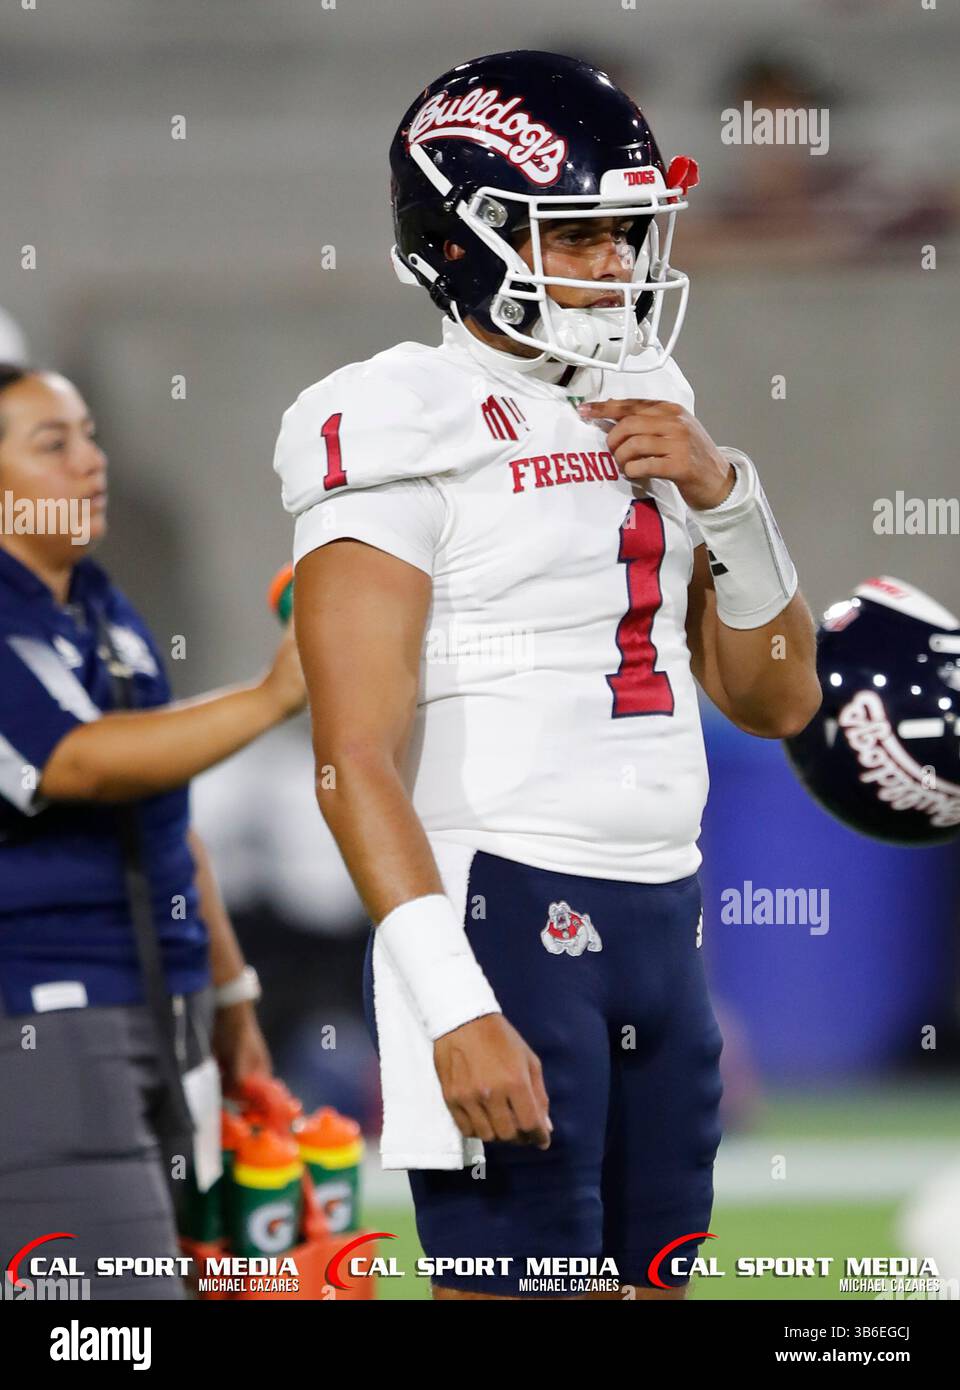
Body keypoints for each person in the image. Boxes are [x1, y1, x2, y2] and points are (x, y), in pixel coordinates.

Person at [274, 50, 822, 1301]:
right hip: (500, 912)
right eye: (577, 237)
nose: (617, 267)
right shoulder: (395, 411)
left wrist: (728, 500)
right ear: (463, 239)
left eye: (627, 233)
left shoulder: (651, 388)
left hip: (661, 919)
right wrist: (451, 1004)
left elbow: (780, 699)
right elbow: (350, 756)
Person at [0, 363, 306, 1300]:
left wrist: (231, 994)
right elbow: (75, 762)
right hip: (46, 1020)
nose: (92, 463)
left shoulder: (97, 604)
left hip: (158, 1012)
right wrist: (277, 693)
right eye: (53, 445)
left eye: (89, 435)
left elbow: (166, 815)